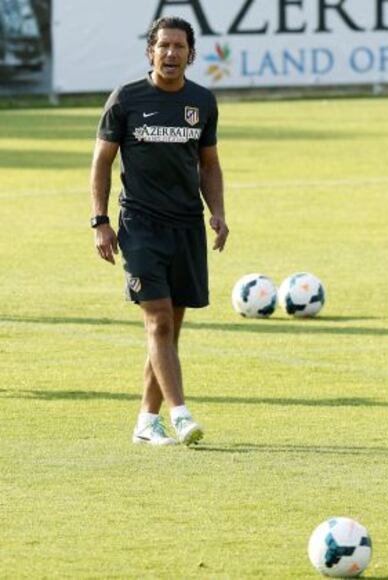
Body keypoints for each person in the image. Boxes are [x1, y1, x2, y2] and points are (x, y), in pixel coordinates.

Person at [90, 16, 229, 446]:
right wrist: (100, 220)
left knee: (171, 326)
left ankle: (146, 421)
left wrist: (218, 212)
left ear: (191, 53)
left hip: (186, 226)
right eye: (163, 46)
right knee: (159, 323)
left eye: (179, 47)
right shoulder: (126, 99)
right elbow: (101, 163)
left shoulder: (202, 101)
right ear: (150, 51)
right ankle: (181, 414)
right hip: (139, 225)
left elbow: (208, 164)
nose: (171, 54)